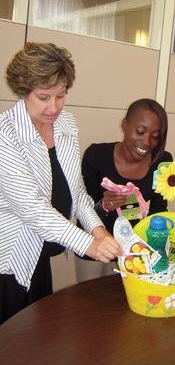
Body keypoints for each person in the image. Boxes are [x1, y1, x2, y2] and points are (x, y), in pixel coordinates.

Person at [0, 42, 122, 324]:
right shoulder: (6, 135)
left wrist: (98, 230)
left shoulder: (67, 125)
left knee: (36, 334)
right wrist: (87, 244)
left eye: (61, 96)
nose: (53, 107)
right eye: (44, 97)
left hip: (38, 253)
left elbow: (77, 191)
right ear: (23, 90)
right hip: (9, 257)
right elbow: (33, 209)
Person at [76, 98, 173, 280]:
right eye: (140, 131)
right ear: (124, 125)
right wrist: (104, 206)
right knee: (91, 300)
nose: (147, 142)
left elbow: (158, 210)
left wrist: (151, 246)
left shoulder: (162, 161)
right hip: (95, 244)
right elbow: (83, 209)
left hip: (135, 249)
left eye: (155, 136)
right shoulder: (96, 156)